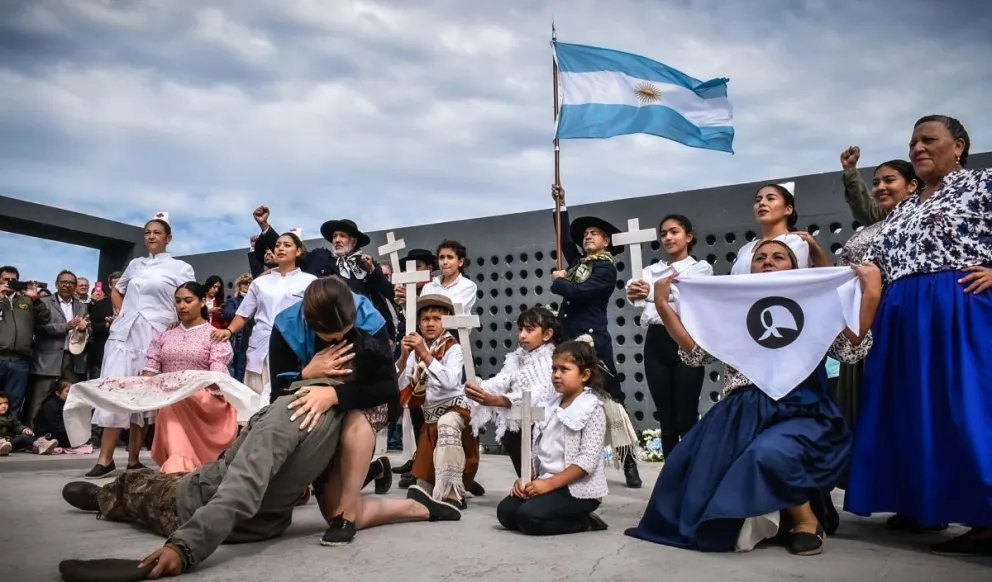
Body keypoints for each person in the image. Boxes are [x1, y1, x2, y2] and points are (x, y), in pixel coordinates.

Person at [58, 276, 456, 579]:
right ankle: (415, 504)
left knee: (138, 487)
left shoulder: (297, 410)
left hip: (196, 503)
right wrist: (310, 380)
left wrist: (185, 547)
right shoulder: (300, 363)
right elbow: (350, 388)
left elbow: (242, 487)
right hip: (269, 522)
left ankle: (110, 496)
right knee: (337, 509)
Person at [624, 240, 880, 556]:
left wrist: (871, 294)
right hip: (740, 409)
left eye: (778, 257)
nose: (768, 261)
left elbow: (849, 347)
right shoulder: (733, 309)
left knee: (768, 451)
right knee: (683, 464)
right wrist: (664, 306)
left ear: (795, 267)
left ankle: (806, 521)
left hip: (800, 406)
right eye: (760, 257)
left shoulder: (813, 304)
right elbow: (697, 353)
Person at [846, 115, 992, 556]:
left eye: (929, 139)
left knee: (966, 409)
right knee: (912, 412)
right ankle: (924, 505)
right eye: (913, 142)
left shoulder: (982, 185)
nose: (918, 148)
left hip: (957, 306)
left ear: (960, 146)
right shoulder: (906, 206)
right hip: (902, 313)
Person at [268, 276, 460, 546]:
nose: (342, 340)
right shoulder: (285, 327)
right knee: (329, 510)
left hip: (367, 402)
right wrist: (306, 374)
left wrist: (334, 394)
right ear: (310, 325)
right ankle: (417, 505)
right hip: (321, 414)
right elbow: (278, 395)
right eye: (330, 338)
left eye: (346, 331)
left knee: (354, 425)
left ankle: (347, 516)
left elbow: (387, 390)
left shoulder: (369, 319)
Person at [88, 215, 196, 479]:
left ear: (168, 238)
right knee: (115, 389)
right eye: (147, 232)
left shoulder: (181, 268)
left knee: (144, 394)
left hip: (155, 333)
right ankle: (105, 459)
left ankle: (134, 460)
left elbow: (187, 298)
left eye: (157, 232)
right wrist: (123, 312)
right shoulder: (135, 264)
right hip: (125, 333)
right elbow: (118, 290)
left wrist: (174, 320)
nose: (151, 236)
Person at [550, 184, 642, 489]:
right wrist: (561, 206)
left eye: (594, 233)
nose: (587, 236)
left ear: (607, 242)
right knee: (565, 397)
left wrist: (560, 282)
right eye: (586, 233)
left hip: (593, 343)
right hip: (568, 341)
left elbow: (578, 292)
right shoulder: (580, 265)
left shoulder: (605, 270)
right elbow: (564, 243)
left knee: (610, 400)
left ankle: (628, 462)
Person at [496, 339, 609, 536]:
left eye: (564, 370)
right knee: (506, 512)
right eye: (554, 369)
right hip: (546, 480)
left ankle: (584, 522)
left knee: (530, 517)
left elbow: (586, 461)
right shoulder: (550, 404)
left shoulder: (592, 408)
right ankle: (546, 511)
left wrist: (548, 485)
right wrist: (526, 479)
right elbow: (539, 449)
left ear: (584, 375)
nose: (556, 375)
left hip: (575, 488)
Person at [625, 214, 713, 458]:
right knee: (666, 415)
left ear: (689, 236)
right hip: (656, 341)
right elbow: (634, 292)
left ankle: (692, 473)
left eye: (674, 232)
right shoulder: (651, 270)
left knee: (686, 412)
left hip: (686, 339)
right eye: (664, 233)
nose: (668, 237)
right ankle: (671, 476)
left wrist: (654, 292)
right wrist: (636, 290)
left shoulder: (700, 268)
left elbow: (688, 292)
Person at [251, 207, 398, 339]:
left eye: (342, 236)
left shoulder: (367, 264)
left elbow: (387, 294)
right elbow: (289, 249)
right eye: (335, 236)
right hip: (330, 331)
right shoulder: (320, 258)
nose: (337, 240)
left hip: (364, 330)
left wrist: (373, 271)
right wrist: (265, 226)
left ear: (353, 241)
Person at [143, 282, 237, 473]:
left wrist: (185, 385)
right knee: (170, 400)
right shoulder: (163, 337)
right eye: (178, 301)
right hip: (171, 399)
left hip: (206, 400)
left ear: (202, 301)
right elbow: (149, 374)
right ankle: (179, 464)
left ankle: (180, 467)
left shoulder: (214, 335)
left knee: (173, 399)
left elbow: (216, 378)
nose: (182, 306)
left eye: (188, 301)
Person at [214, 232, 315, 406]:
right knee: (255, 398)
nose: (281, 248)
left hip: (292, 346)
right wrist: (229, 330)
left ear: (298, 251)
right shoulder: (259, 283)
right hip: (260, 346)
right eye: (277, 245)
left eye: (287, 245)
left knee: (287, 398)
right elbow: (244, 314)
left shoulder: (310, 281)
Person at [399, 294, 480, 507]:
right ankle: (450, 485)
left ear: (447, 321)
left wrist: (425, 354)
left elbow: (452, 382)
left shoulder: (453, 347)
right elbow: (403, 386)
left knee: (447, 425)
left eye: (437, 318)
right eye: (425, 319)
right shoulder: (416, 348)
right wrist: (402, 356)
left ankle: (454, 493)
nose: (431, 323)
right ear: (419, 323)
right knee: (420, 491)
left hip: (455, 411)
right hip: (430, 418)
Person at [466, 305, 559, 477]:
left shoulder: (549, 360)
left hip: (542, 424)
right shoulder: (518, 356)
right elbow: (503, 379)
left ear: (547, 334)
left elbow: (539, 392)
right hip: (520, 420)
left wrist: (499, 400)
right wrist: (479, 388)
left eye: (530, 330)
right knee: (511, 437)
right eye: (521, 329)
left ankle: (539, 483)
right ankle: (528, 483)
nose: (522, 335)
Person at [29, 269, 89, 426]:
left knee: (71, 400)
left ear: (75, 286)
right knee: (39, 398)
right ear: (57, 284)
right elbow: (40, 328)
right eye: (64, 282)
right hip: (48, 360)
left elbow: (89, 331)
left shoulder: (81, 307)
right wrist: (66, 326)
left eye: (71, 282)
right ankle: (31, 435)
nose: (67, 285)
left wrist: (83, 329)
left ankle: (66, 435)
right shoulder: (45, 302)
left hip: (73, 359)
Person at [0, 265, 50, 421]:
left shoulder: (26, 300)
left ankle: (8, 439)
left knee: (15, 401)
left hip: (19, 360)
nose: (9, 282)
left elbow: (45, 317)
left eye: (13, 280)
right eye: (5, 279)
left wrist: (35, 300)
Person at [729, 184, 811, 274]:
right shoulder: (745, 248)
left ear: (788, 209)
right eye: (757, 200)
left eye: (771, 198)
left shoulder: (795, 241)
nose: (761, 203)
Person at [87, 271, 122, 380]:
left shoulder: (134, 304)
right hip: (102, 357)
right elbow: (93, 327)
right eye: (116, 284)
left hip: (124, 357)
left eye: (122, 283)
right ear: (110, 286)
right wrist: (107, 324)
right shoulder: (100, 305)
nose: (119, 287)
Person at [222, 273, 253, 383]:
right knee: (239, 372)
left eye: (249, 283)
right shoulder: (233, 301)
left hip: (254, 339)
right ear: (239, 285)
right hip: (240, 341)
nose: (247, 286)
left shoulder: (257, 299)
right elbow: (227, 314)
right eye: (244, 283)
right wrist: (245, 310)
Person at [33, 379, 72, 449]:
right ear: (57, 392)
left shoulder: (65, 403)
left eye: (72, 391)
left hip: (59, 432)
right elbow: (56, 427)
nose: (70, 394)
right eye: (67, 391)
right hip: (47, 435)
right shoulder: (51, 405)